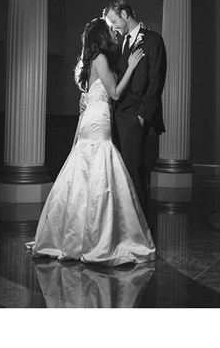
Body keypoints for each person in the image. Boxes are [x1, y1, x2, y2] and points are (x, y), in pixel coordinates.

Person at [28, 18, 155, 264]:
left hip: (89, 118)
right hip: (99, 119)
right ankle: (97, 237)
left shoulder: (86, 63)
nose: (113, 32)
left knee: (83, 169)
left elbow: (87, 96)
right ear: (102, 37)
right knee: (100, 167)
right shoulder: (100, 59)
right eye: (109, 30)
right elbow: (115, 93)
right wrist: (130, 67)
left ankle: (73, 235)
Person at [102, 0, 167, 207]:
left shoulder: (153, 40)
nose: (114, 27)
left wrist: (141, 116)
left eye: (114, 21)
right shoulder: (116, 42)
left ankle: (142, 226)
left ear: (124, 14)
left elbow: (156, 81)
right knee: (118, 172)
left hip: (135, 117)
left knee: (134, 171)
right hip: (115, 116)